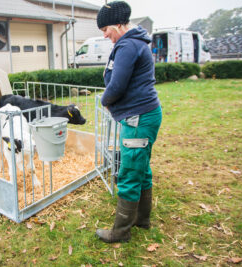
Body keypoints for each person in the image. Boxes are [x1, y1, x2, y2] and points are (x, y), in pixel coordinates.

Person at [95, 1, 162, 243]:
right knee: (141, 169)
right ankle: (142, 219)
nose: (105, 35)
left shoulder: (128, 45)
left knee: (130, 173)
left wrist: (105, 100)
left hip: (138, 118)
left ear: (117, 24)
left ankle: (121, 232)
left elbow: (117, 85)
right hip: (145, 114)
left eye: (105, 29)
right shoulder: (134, 42)